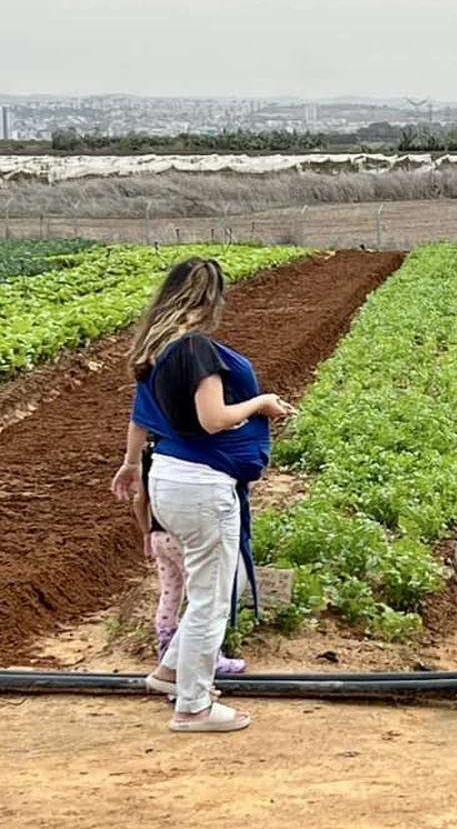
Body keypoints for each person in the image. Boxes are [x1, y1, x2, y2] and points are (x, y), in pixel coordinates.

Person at [111, 256, 294, 732]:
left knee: (223, 581)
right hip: (201, 483)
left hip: (169, 478)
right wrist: (261, 404)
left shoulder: (157, 349)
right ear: (210, 298)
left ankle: (171, 669)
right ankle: (193, 707)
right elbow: (213, 419)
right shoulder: (195, 348)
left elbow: (140, 416)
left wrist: (130, 464)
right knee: (211, 597)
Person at [130, 439, 246, 676]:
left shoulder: (150, 455)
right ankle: (206, 656)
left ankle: (166, 650)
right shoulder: (185, 453)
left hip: (159, 536)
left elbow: (139, 500)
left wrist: (146, 533)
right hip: (181, 537)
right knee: (203, 595)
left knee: (170, 594)